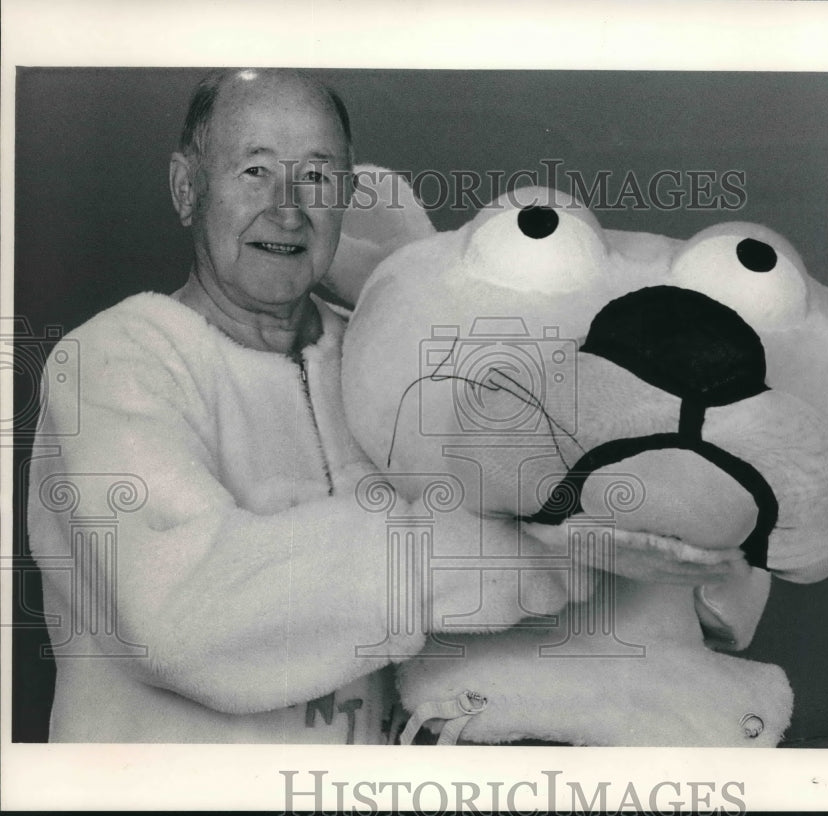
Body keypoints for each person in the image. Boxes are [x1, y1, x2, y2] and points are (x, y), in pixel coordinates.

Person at [28, 68, 746, 744]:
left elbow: (542, 483)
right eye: (255, 171)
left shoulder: (379, 358)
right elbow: (186, 615)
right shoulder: (112, 362)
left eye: (316, 175)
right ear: (187, 189)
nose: (288, 207)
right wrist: (538, 553)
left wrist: (685, 528)